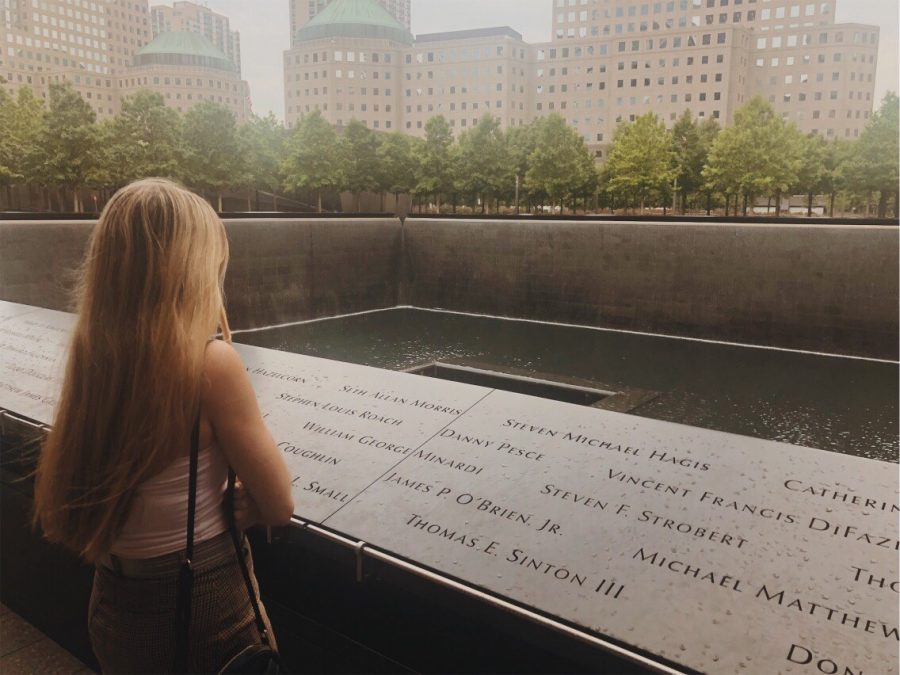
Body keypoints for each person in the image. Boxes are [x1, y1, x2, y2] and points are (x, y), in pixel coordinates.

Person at [33, 178, 294, 673]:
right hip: (201, 606)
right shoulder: (210, 365)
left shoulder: (92, 355)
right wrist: (251, 502)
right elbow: (280, 503)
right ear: (189, 270)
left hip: (114, 604)